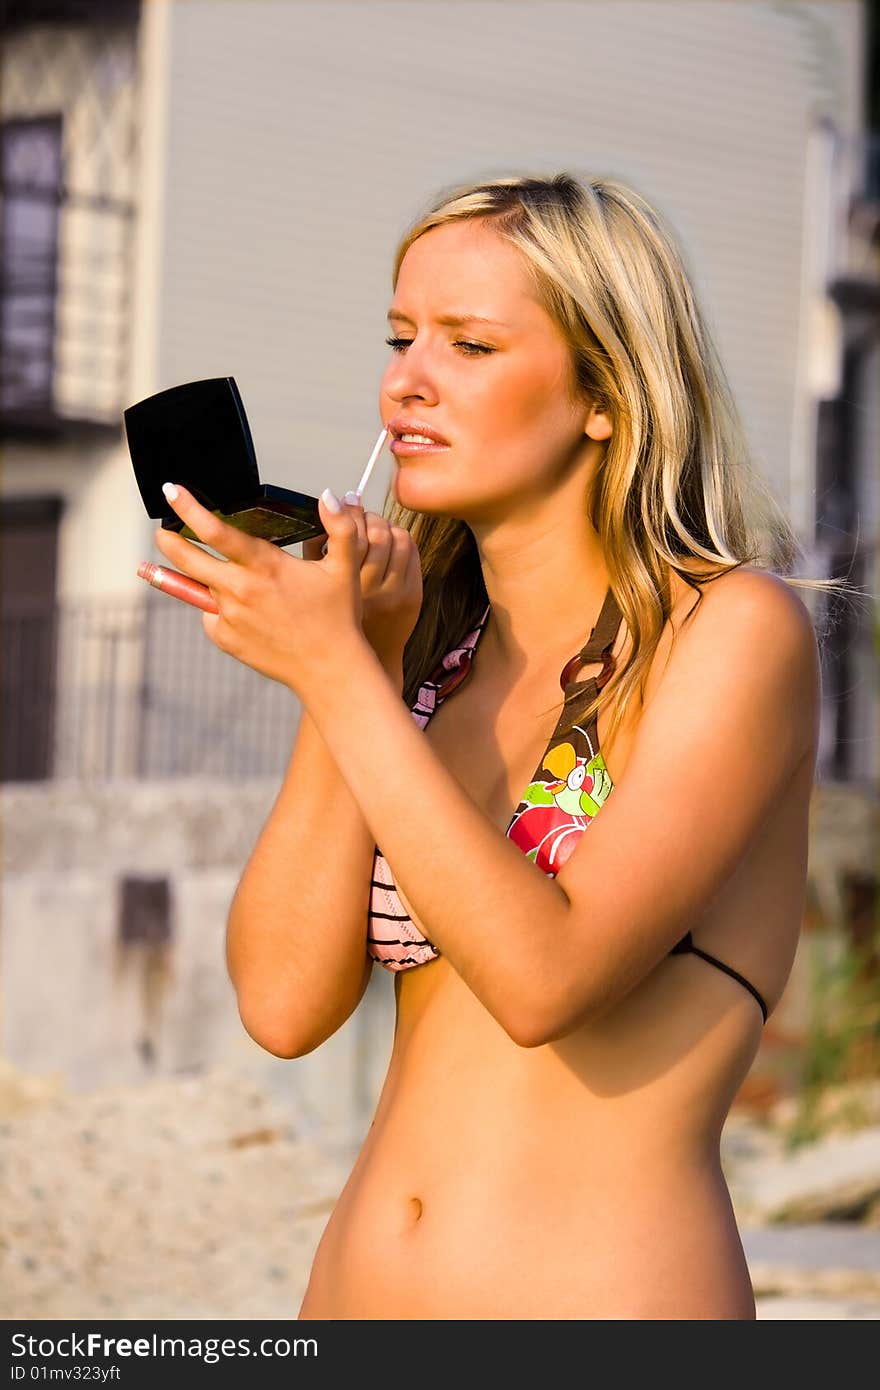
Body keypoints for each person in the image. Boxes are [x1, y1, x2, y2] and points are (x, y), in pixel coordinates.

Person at [155, 173, 852, 1319]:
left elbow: (545, 980)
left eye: (469, 344)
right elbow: (282, 1006)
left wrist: (336, 673)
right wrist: (361, 667)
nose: (403, 382)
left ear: (605, 393)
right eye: (398, 336)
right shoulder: (417, 655)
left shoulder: (730, 634)